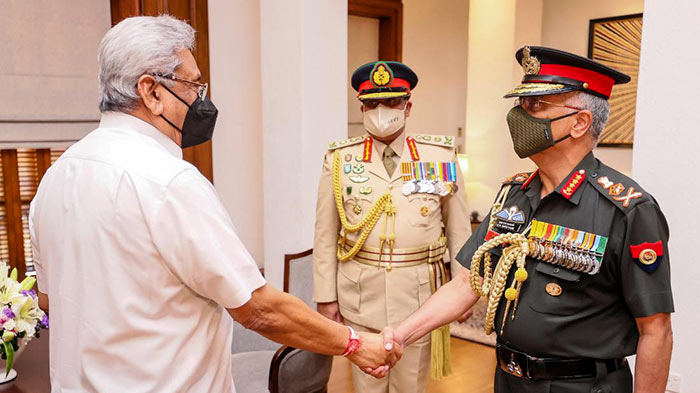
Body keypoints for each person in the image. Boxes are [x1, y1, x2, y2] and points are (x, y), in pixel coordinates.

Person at [29, 15, 398, 393]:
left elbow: (48, 299)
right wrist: (354, 343)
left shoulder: (57, 177)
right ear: (152, 92)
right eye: (192, 84)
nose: (201, 99)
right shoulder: (170, 182)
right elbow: (258, 309)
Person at [387, 46, 674, 393]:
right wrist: (398, 337)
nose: (519, 116)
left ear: (580, 122)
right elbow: (465, 285)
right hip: (508, 380)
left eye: (536, 105)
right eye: (521, 104)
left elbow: (655, 331)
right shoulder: (514, 194)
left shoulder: (627, 209)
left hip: (583, 386)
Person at [312, 61, 471, 393]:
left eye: (391, 102)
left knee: (409, 385)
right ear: (362, 108)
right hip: (360, 295)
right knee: (367, 384)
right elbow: (325, 235)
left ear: (407, 106)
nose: (381, 110)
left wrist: (462, 293)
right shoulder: (341, 158)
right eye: (371, 103)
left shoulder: (439, 156)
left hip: (418, 299)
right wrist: (326, 298)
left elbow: (458, 231)